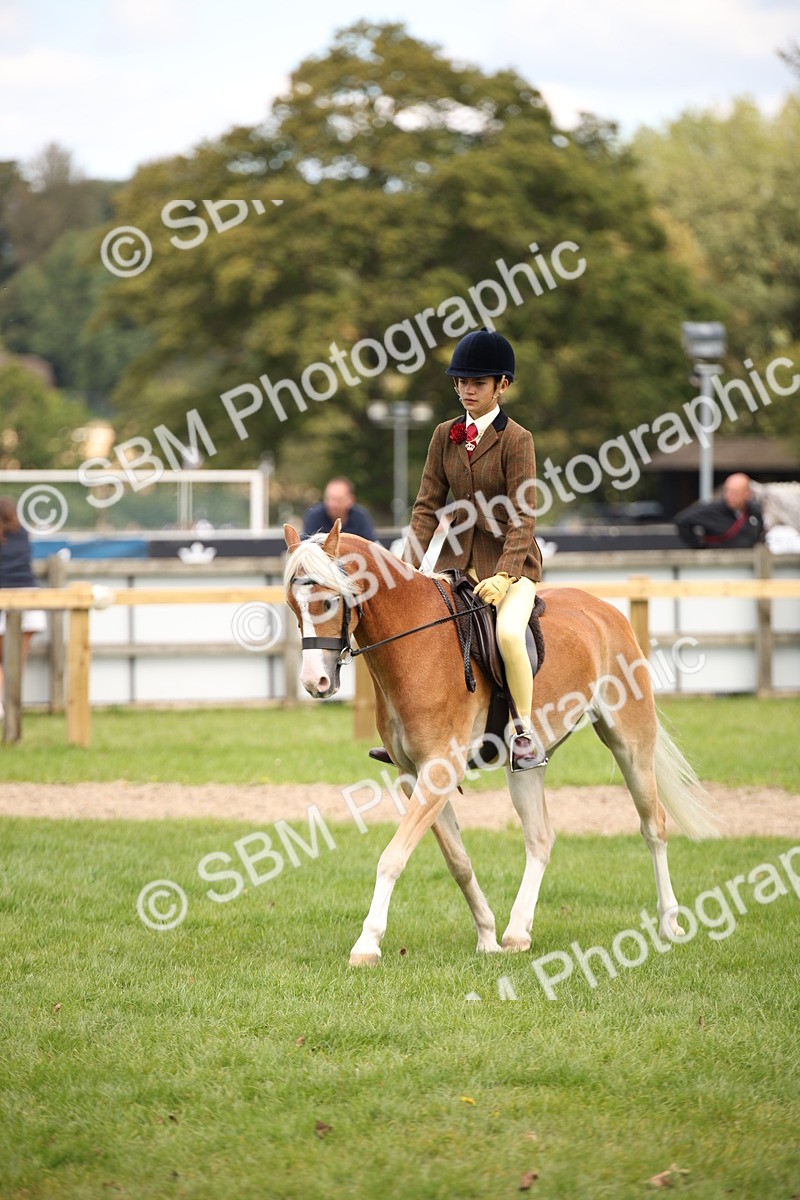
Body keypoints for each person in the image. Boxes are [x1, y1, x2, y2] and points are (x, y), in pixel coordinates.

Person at [402, 327, 544, 770]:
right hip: (454, 563)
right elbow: (427, 506)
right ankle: (413, 733)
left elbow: (523, 516)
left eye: (477, 383)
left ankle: (524, 733)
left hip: (512, 565)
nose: (466, 390)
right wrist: (405, 569)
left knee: (506, 634)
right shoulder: (444, 434)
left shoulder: (517, 439)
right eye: (461, 382)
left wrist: (505, 574)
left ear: (502, 385)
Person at [0, 496, 46, 720]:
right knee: (16, 661)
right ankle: (13, 706)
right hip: (30, 599)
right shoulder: (23, 534)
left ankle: (4, 708)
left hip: (3, 600)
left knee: (2, 661)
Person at [674, 473, 765, 549]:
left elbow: (758, 536)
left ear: (747, 494)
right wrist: (698, 547)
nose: (730, 496)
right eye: (727, 491)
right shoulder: (712, 510)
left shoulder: (755, 512)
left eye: (735, 493)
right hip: (718, 565)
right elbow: (682, 520)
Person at [302, 476, 377, 541]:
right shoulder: (314, 516)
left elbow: (370, 546)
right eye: (328, 498)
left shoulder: (360, 516)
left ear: (350, 500)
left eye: (338, 500)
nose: (331, 504)